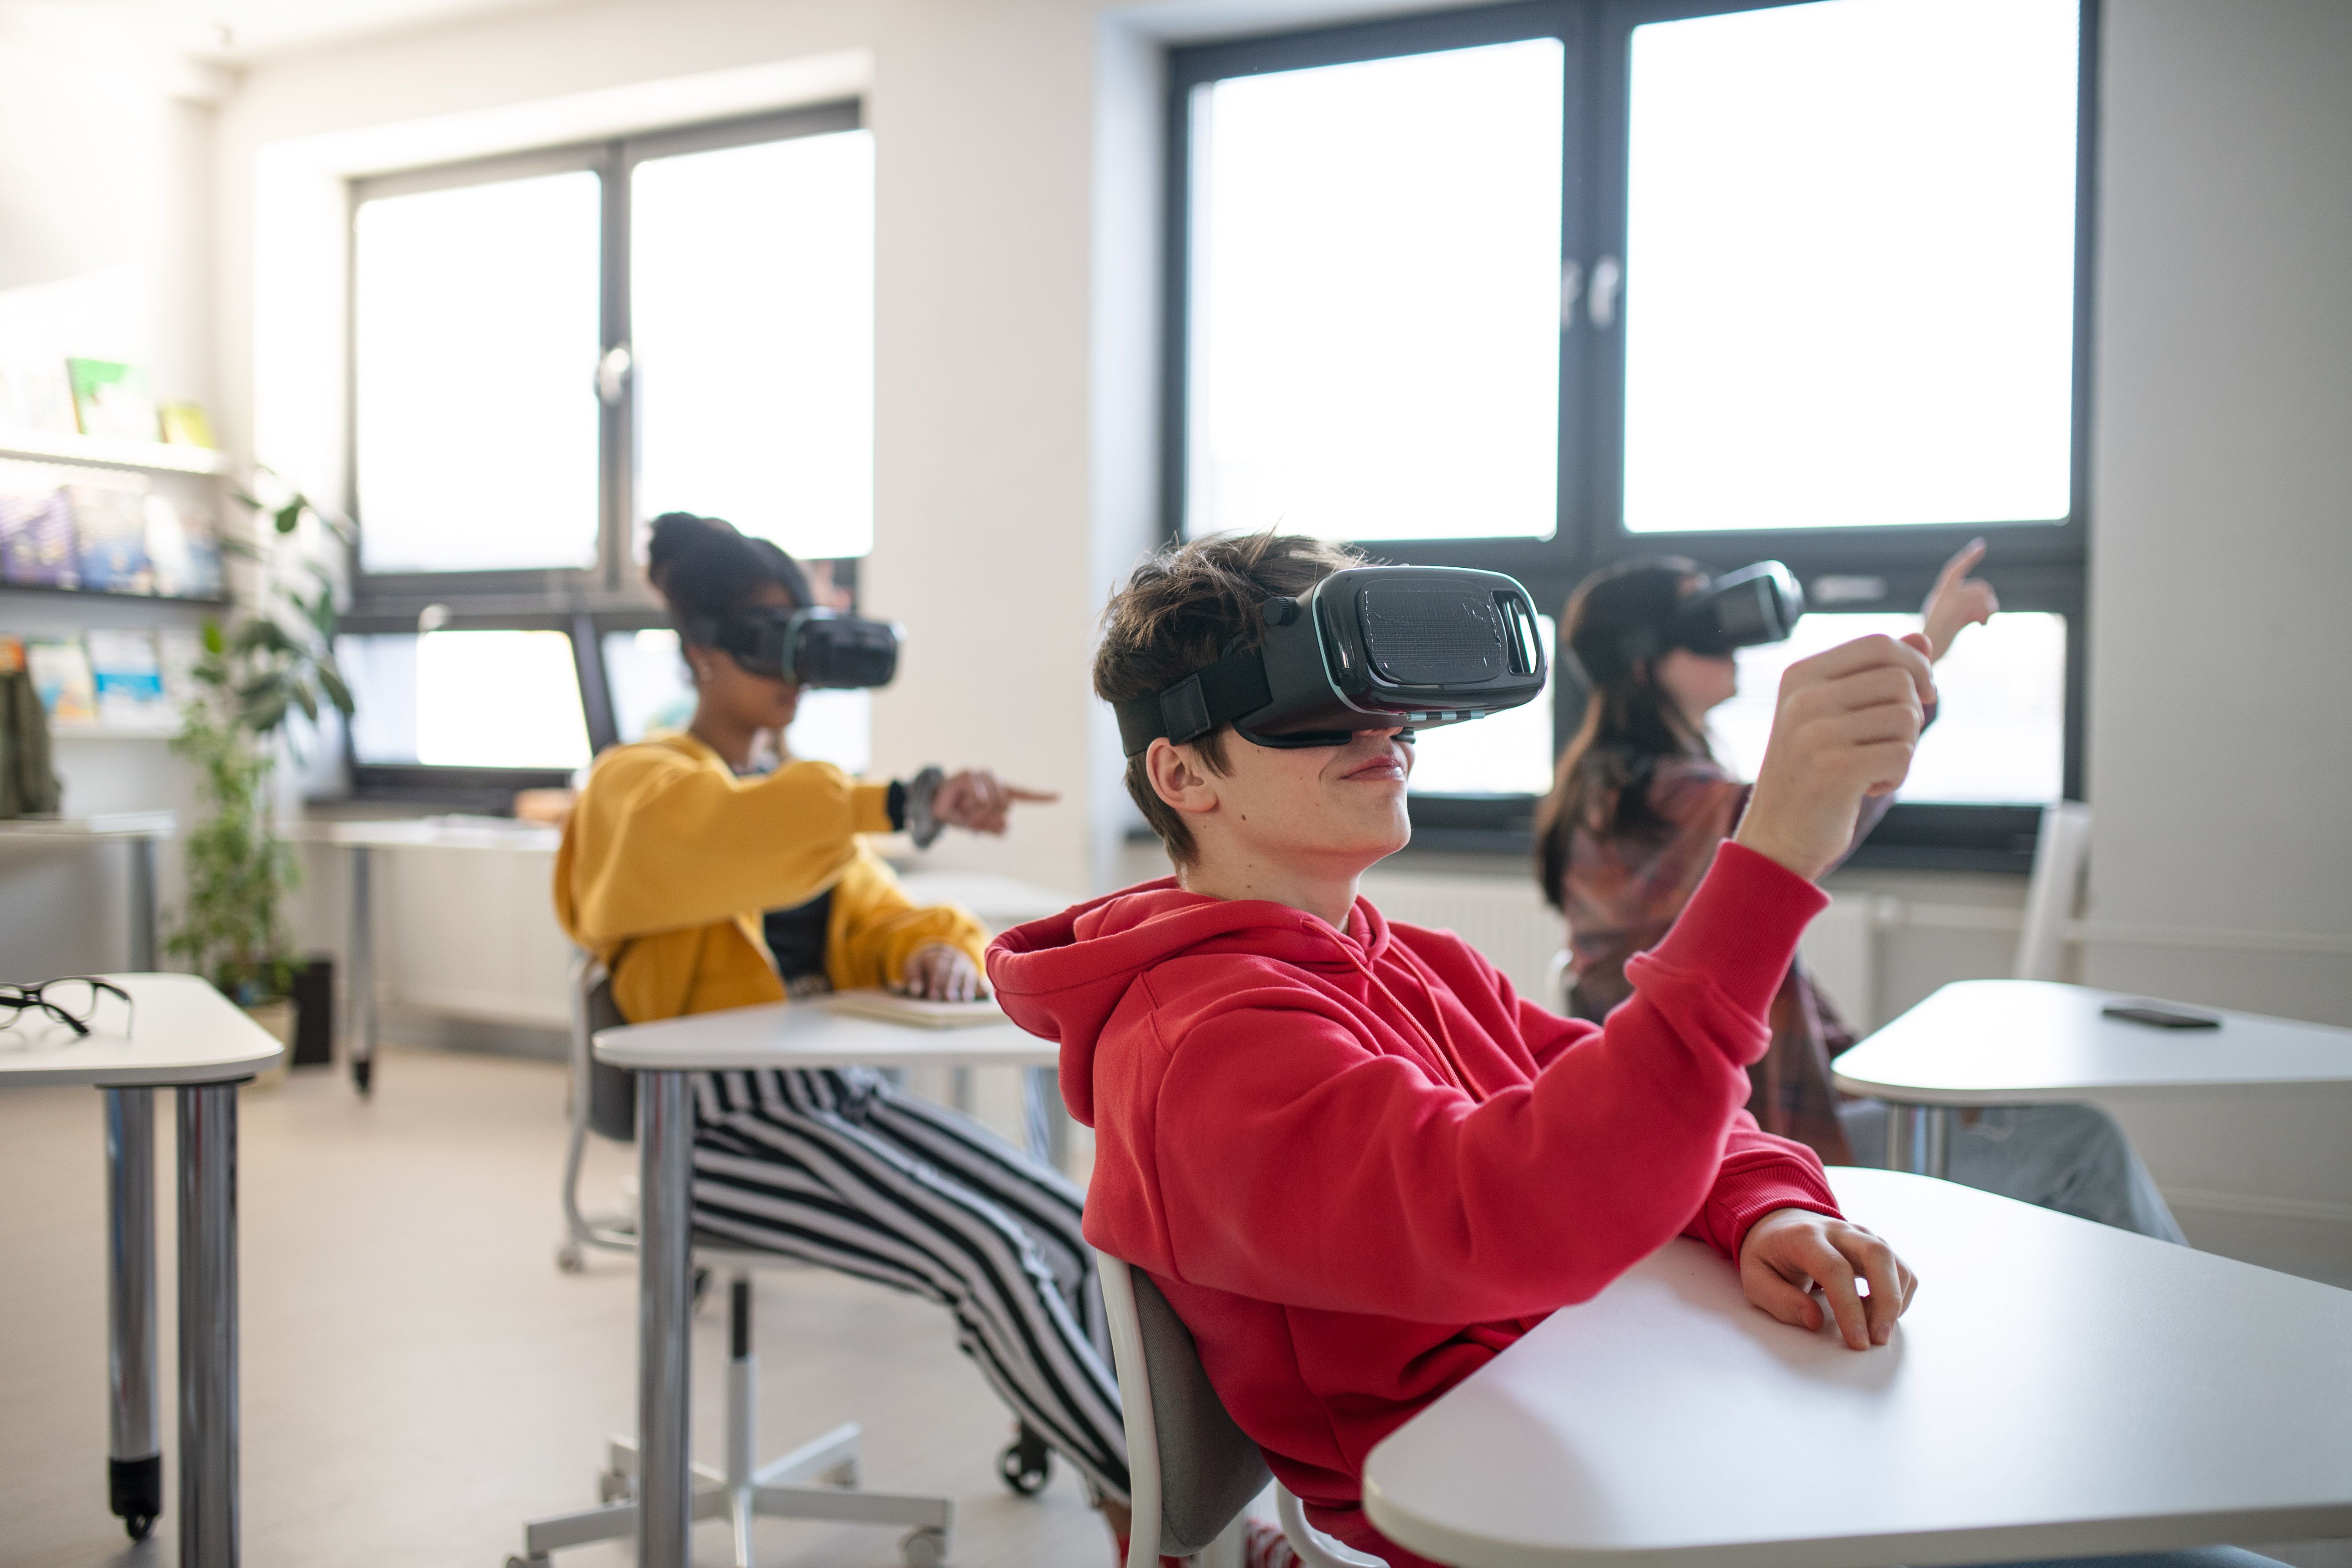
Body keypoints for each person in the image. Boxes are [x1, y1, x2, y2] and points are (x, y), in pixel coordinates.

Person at [992, 531, 2282, 1568]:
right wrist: (1767, 862)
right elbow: (1512, 1207)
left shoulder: (1416, 960)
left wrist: (1764, 1207)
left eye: (1388, 701)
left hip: (1611, 1407)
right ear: (1185, 774)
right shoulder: (1202, 1046)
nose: (1382, 731)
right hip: (1521, 1506)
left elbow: (1649, 1100)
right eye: (1322, 713)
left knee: (2077, 1493)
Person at [551, 512, 1139, 1541]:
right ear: (698, 650)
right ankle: (1163, 1501)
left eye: (800, 639)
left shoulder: (796, 802)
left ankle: (1120, 1485)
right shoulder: (634, 784)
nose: (790, 669)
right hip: (714, 1134)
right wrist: (897, 797)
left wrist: (936, 949)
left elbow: (877, 905)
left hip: (834, 1102)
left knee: (1072, 1224)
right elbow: (722, 839)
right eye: (761, 639)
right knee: (991, 1252)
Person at [1537, 543, 2183, 1241]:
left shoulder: (1637, 782)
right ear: (1642, 660)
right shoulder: (1637, 801)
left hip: (1758, 1114)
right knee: (2081, 1142)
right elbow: (1808, 812)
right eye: (1701, 621)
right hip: (1750, 1141)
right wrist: (1929, 644)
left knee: (2023, 1121)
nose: (1731, 645)